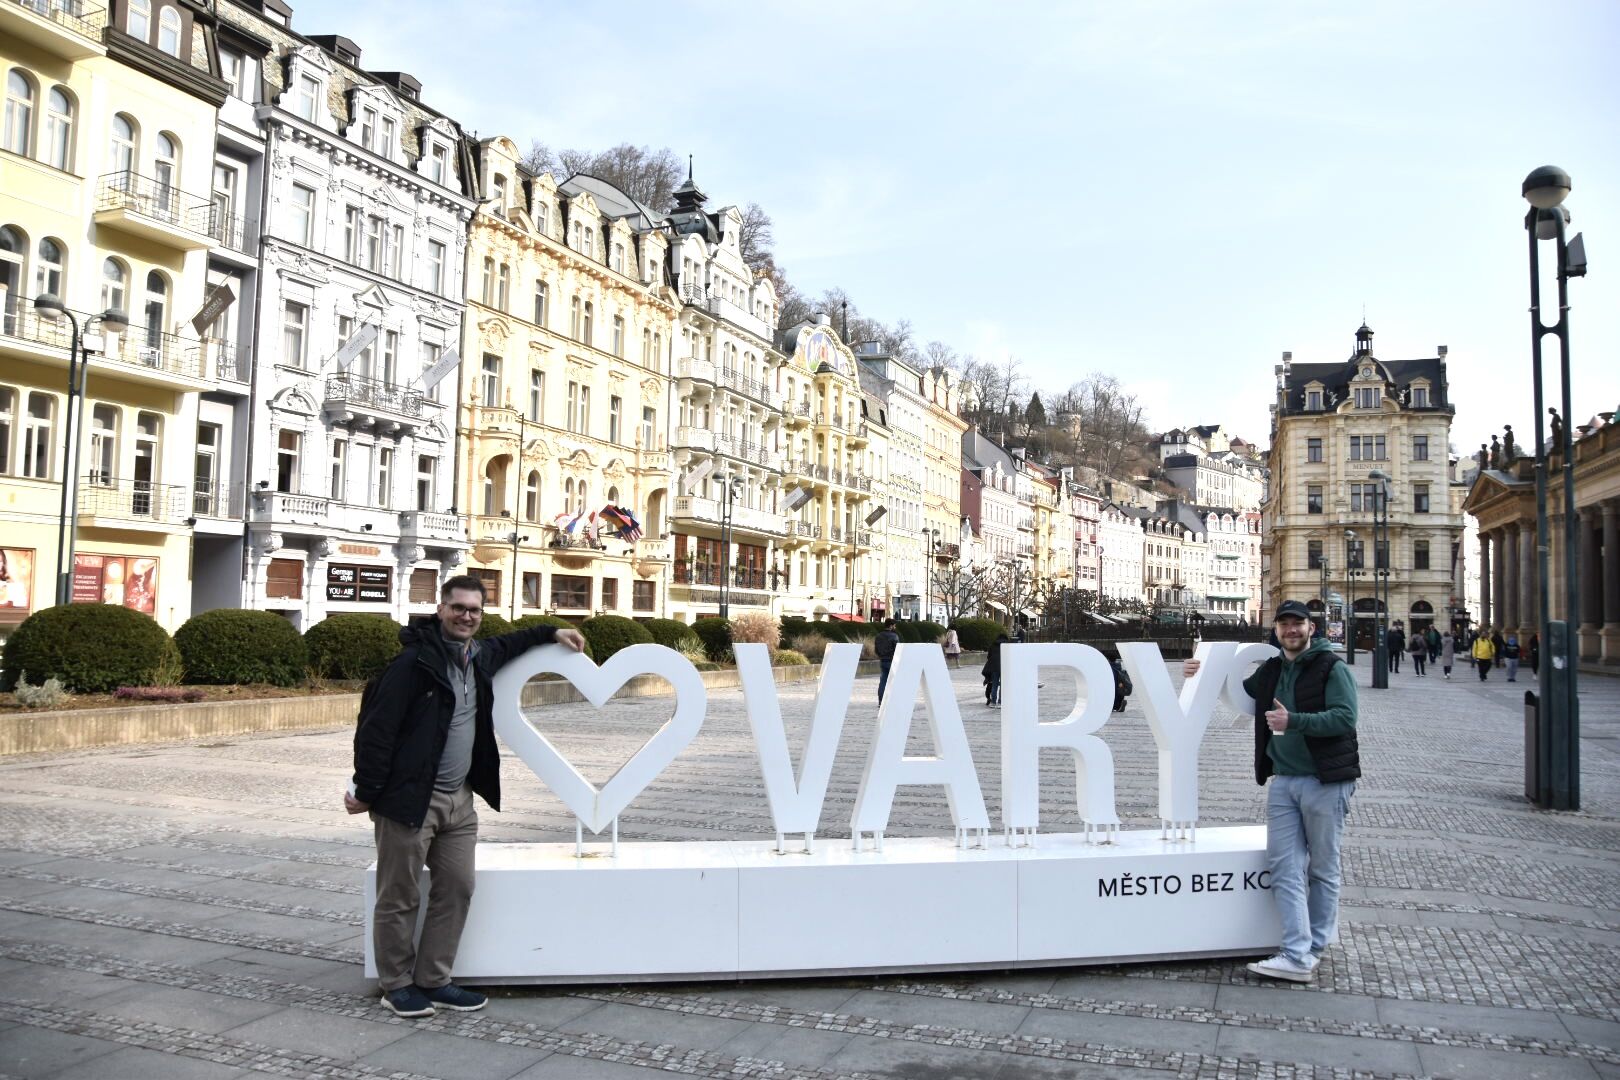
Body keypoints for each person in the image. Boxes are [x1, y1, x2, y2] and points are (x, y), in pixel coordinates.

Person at [347, 575, 584, 1018]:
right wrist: (365, 790)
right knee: (398, 896)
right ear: (441, 609)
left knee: (457, 887)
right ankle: (396, 985)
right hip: (409, 802)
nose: (466, 616)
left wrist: (553, 631)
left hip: (460, 801)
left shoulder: (479, 656)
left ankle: (434, 979)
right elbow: (376, 730)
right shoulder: (413, 663)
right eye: (458, 608)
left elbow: (513, 642)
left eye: (474, 610)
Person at [1183, 599, 1358, 983]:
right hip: (1283, 782)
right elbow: (1233, 689)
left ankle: (1312, 949)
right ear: (1276, 630)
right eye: (1284, 624)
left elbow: (1345, 717)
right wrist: (1199, 672)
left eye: (1298, 623)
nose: (1291, 630)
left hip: (1326, 780)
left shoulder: (1332, 667)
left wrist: (1293, 721)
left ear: (1311, 628)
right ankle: (1297, 952)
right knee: (1284, 866)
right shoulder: (1272, 668)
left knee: (1323, 869)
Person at [874, 619, 900, 702]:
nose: (895, 627)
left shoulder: (878, 636)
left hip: (883, 661)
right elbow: (897, 650)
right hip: (892, 661)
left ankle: (881, 700)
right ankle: (893, 700)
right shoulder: (894, 636)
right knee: (895, 681)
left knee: (883, 681)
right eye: (894, 625)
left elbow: (876, 650)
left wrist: (881, 656)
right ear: (891, 626)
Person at [982, 634, 1008, 706]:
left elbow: (988, 656)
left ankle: (993, 702)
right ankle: (1000, 702)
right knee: (1003, 686)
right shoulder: (1008, 645)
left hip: (994, 667)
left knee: (994, 685)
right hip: (1004, 667)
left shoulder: (993, 645)